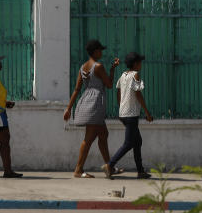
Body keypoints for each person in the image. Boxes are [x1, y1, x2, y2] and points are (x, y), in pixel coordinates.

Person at [64, 39, 119, 178]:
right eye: (100, 50)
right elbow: (109, 84)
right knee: (89, 138)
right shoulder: (98, 66)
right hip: (96, 104)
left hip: (86, 101)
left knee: (103, 135)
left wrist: (69, 108)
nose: (101, 52)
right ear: (95, 51)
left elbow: (77, 89)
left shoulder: (83, 67)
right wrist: (112, 70)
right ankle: (78, 169)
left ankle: (109, 166)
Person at [107, 51, 153, 179]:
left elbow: (118, 91)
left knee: (137, 141)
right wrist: (147, 113)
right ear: (136, 64)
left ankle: (140, 171)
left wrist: (121, 106)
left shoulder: (123, 75)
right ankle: (109, 165)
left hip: (123, 113)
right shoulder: (135, 75)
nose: (141, 65)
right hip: (131, 114)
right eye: (140, 62)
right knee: (128, 143)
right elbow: (138, 94)